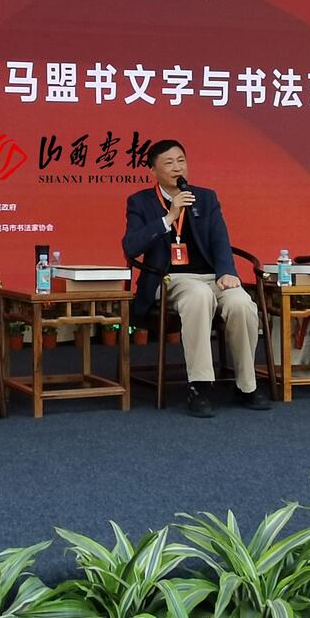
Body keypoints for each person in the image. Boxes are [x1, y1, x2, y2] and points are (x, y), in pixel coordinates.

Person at [122, 139, 268, 417]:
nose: (177, 167)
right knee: (199, 296)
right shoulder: (140, 201)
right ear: (153, 170)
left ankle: (246, 385)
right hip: (169, 280)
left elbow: (220, 239)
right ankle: (199, 385)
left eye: (181, 161)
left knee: (241, 303)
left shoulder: (206, 197)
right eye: (169, 163)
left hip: (212, 277)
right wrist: (169, 217)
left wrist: (227, 271)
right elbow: (131, 247)